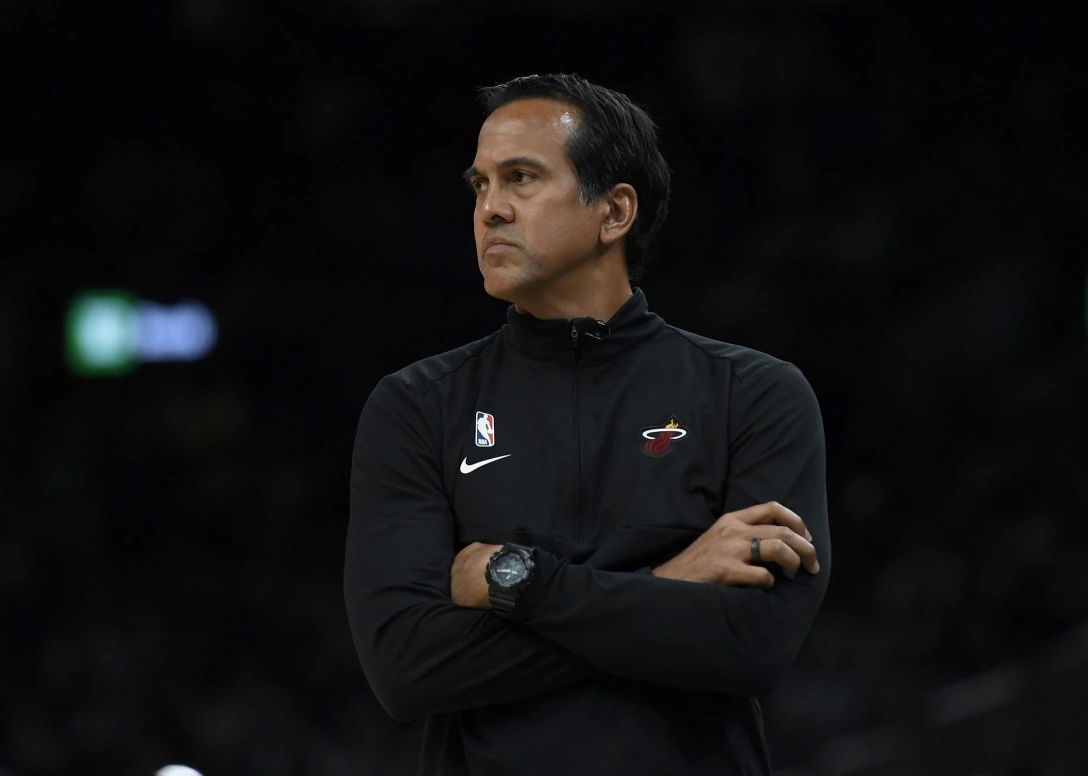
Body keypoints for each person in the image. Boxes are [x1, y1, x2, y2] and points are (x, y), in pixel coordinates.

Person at [344, 72, 831, 775]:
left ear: (615, 211)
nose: (490, 210)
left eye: (521, 178)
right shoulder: (417, 405)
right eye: (480, 185)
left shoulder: (754, 394)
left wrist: (520, 583)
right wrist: (674, 580)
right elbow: (407, 668)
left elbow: (752, 646)